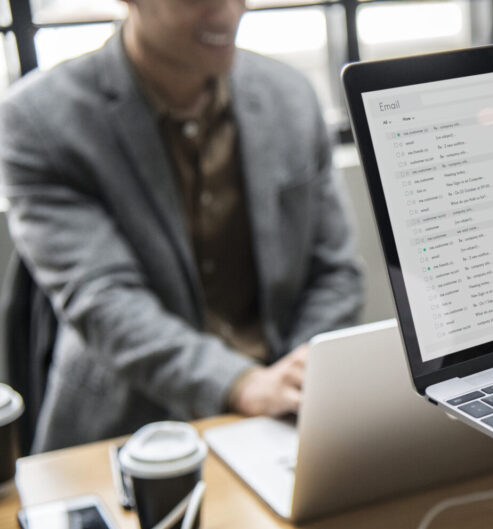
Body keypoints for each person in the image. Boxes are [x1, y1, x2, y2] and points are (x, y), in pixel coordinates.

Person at [0, 0, 363, 453]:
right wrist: (241, 384)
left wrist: (302, 373)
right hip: (129, 431)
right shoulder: (40, 121)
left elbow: (335, 271)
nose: (227, 13)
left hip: (285, 414)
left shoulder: (289, 95)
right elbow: (104, 299)